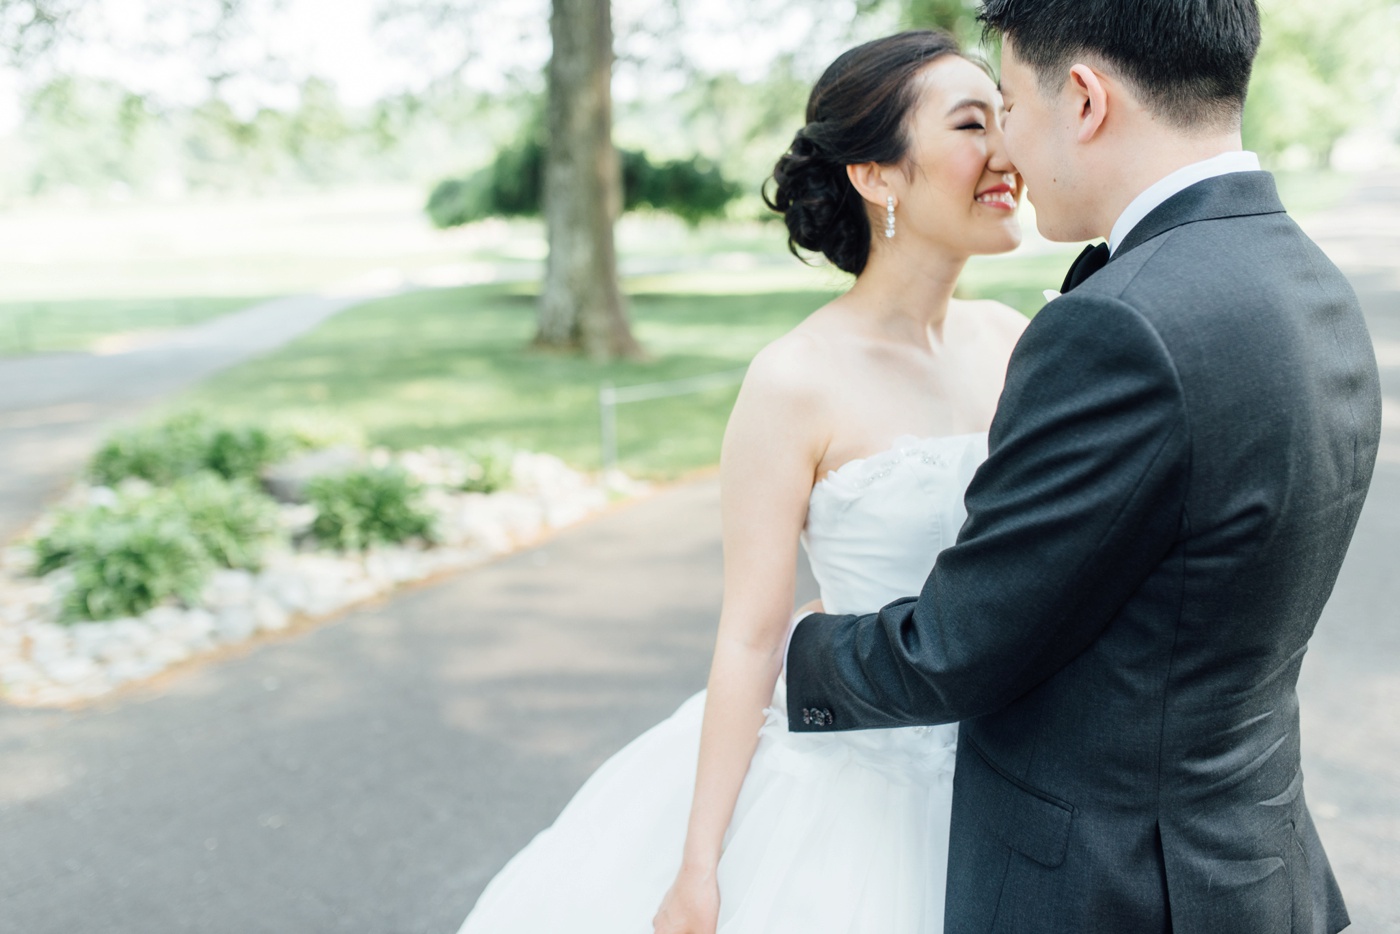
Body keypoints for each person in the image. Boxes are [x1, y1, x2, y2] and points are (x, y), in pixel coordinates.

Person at [784, 1, 1382, 933]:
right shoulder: (1308, 279)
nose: (1006, 149)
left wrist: (805, 652)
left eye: (1009, 105)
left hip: (1108, 887)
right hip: (1248, 864)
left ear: (1086, 100)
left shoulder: (1120, 323)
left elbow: (958, 647)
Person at [455, 30, 1029, 934]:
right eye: (971, 125)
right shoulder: (795, 380)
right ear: (878, 176)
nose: (1010, 152)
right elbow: (753, 634)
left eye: (1008, 118)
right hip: (857, 786)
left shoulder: (1012, 338)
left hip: (1015, 772)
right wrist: (699, 867)